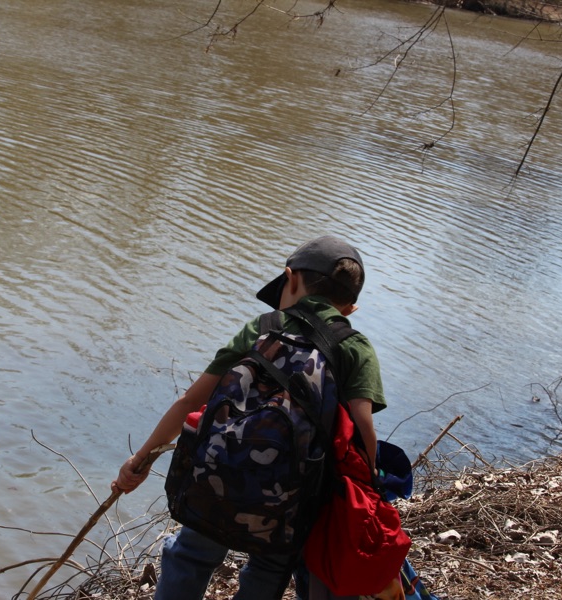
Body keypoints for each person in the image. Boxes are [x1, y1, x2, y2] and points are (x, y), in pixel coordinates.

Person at [112, 235, 403, 600]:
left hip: (218, 473)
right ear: (350, 309)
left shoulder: (263, 326)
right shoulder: (354, 347)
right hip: (291, 494)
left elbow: (190, 401)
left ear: (290, 279)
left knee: (191, 553)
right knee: (269, 567)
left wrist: (140, 461)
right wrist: (370, 491)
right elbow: (363, 430)